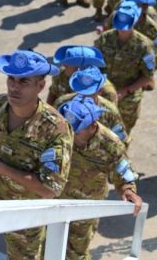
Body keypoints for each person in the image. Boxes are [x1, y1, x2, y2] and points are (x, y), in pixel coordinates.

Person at [0, 50, 73, 259]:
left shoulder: (55, 128)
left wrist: (1, 168)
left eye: (24, 81)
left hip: (24, 212)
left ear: (40, 86)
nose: (14, 86)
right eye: (11, 79)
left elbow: (50, 189)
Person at [57, 98, 142, 259]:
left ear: (92, 126)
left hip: (87, 204)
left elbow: (123, 172)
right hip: (57, 199)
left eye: (77, 131)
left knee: (76, 251)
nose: (70, 134)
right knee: (51, 242)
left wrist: (128, 190)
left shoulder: (110, 144)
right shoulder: (58, 131)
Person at [94, 1, 156, 134]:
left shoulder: (144, 46)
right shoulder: (104, 39)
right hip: (103, 92)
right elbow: (93, 65)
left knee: (122, 132)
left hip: (128, 96)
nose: (122, 29)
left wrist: (125, 91)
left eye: (126, 26)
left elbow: (147, 76)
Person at [53, 67, 129, 143]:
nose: (83, 97)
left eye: (89, 93)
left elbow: (121, 141)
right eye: (80, 91)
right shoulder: (62, 104)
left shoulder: (109, 111)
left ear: (100, 91)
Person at [47, 45, 119, 107]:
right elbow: (53, 94)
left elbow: (110, 116)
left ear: (80, 69)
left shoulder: (105, 90)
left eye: (68, 64)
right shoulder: (62, 74)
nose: (64, 65)